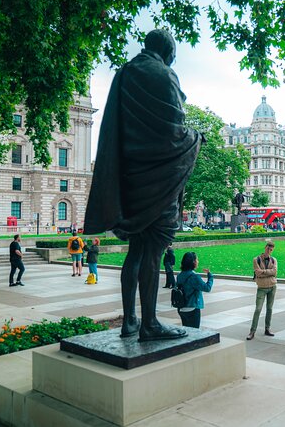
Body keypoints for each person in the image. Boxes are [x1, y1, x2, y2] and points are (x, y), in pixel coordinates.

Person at [83, 29, 203, 341]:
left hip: (130, 175)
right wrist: (195, 139)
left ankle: (130, 320)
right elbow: (173, 129)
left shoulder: (125, 72)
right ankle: (149, 323)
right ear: (168, 51)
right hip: (158, 177)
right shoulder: (164, 74)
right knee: (152, 250)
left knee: (135, 250)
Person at [247, 240, 278, 340]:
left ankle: (267, 328)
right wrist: (268, 272)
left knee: (269, 309)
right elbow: (258, 272)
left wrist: (263, 271)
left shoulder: (274, 260)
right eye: (268, 248)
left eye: (271, 249)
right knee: (258, 309)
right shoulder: (256, 259)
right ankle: (252, 331)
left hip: (272, 287)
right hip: (262, 287)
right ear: (265, 247)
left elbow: (275, 272)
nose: (269, 251)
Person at [175, 252, 213, 329]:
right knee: (194, 333)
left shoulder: (180, 275)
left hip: (181, 308)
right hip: (192, 308)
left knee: (186, 331)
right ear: (193, 262)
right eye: (197, 259)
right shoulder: (194, 276)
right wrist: (210, 276)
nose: (198, 261)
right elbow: (207, 288)